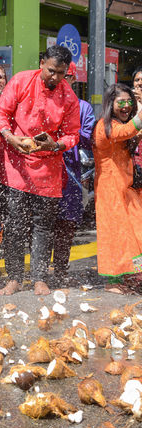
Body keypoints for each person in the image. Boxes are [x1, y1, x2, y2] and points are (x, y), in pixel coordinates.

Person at [0, 45, 80, 296]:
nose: (54, 78)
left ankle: (40, 278)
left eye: (61, 73)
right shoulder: (21, 80)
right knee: (15, 225)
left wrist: (57, 144)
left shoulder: (69, 98)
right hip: (16, 165)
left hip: (49, 169)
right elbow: (0, 114)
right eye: (51, 71)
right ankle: (14, 278)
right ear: (42, 62)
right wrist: (11, 138)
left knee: (43, 226)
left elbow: (73, 135)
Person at [93, 84, 142, 293]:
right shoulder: (104, 126)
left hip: (127, 189)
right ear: (110, 104)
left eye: (130, 103)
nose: (126, 107)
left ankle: (131, 275)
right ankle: (112, 282)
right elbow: (127, 130)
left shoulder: (120, 124)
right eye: (121, 102)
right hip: (109, 191)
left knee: (135, 233)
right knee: (115, 235)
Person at [51, 62, 96, 280]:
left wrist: (70, 134)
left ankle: (60, 270)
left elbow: (87, 139)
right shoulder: (46, 102)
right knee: (42, 223)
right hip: (45, 172)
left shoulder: (84, 107)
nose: (62, 80)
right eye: (57, 74)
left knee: (67, 224)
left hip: (71, 175)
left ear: (73, 79)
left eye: (66, 76)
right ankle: (40, 272)